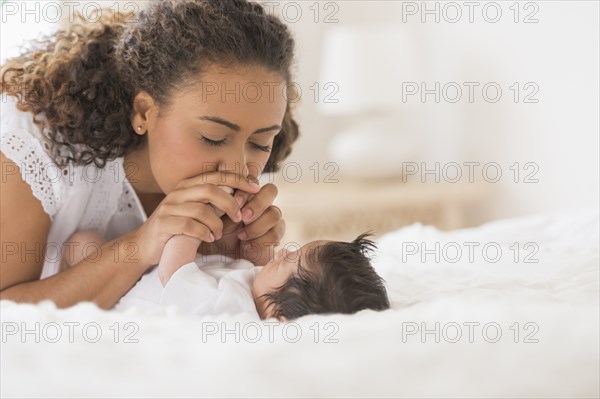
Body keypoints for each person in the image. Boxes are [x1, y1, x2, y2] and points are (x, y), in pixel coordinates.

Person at [0, 0, 299, 309]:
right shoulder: (35, 144)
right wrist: (140, 246)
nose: (239, 168)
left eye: (261, 143)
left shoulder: (227, 167)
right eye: (213, 138)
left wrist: (230, 259)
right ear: (144, 112)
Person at [60, 230, 391, 320]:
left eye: (288, 260)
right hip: (141, 272)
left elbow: (174, 272)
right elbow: (231, 265)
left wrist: (190, 226)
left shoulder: (230, 309)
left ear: (279, 314)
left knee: (83, 245)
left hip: (122, 293)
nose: (280, 253)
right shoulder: (254, 288)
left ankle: (58, 300)